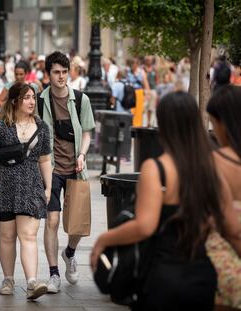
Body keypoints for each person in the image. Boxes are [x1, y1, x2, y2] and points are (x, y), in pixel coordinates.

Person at [90, 91, 241, 310]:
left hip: (162, 278)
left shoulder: (157, 169)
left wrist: (104, 239)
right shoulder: (211, 169)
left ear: (163, 126)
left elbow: (144, 226)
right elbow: (232, 230)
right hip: (202, 279)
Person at [0, 82, 52, 300]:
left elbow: (45, 159)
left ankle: (32, 281)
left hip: (31, 185)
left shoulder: (42, 127)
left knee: (28, 234)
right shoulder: (1, 125)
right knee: (7, 236)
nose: (32, 101)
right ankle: (8, 279)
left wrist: (48, 187)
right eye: (27, 97)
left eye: (34, 97)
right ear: (16, 101)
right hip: (5, 185)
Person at [38, 51, 95, 293]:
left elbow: (88, 131)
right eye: (56, 72)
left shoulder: (81, 99)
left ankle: (69, 252)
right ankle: (53, 274)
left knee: (77, 225)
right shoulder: (40, 101)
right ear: (48, 74)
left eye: (64, 72)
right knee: (52, 220)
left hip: (75, 168)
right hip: (50, 170)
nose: (61, 77)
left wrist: (82, 155)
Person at [206, 85, 241, 309]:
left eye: (213, 122)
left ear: (223, 122)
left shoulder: (216, 162)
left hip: (224, 264)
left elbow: (225, 224)